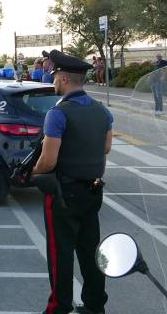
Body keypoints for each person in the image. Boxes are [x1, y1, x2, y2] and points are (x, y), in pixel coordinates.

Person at [31, 49, 113, 314]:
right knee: (91, 252)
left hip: (64, 194)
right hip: (93, 191)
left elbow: (49, 160)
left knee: (60, 254)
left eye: (54, 76)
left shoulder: (58, 114)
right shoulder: (103, 111)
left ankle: (59, 307)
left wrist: (34, 171)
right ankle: (94, 305)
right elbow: (106, 148)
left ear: (64, 79)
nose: (52, 80)